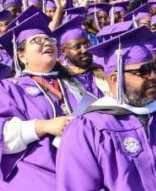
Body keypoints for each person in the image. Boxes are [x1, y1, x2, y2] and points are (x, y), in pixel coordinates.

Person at [56, 26, 156, 190]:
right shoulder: (88, 129)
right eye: (143, 71)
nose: (154, 77)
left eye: (155, 69)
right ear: (115, 78)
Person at [0, 15, 92, 190]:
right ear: (21, 55)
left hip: (83, 172)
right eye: (37, 40)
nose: (47, 43)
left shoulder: (78, 85)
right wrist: (43, 127)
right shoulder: (8, 89)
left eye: (49, 39)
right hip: (35, 178)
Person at [53, 16, 107, 97]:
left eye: (87, 44)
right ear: (63, 51)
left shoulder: (103, 68)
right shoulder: (61, 80)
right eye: (77, 47)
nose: (84, 50)